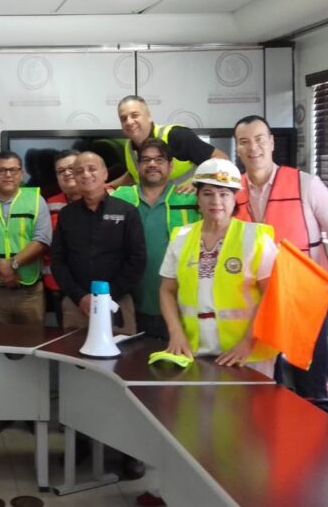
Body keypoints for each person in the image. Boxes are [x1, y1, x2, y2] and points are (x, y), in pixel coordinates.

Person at [233, 114, 328, 400]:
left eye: (259, 139)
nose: (253, 147)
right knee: (264, 386)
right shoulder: (231, 192)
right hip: (255, 304)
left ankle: (316, 427)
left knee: (311, 387)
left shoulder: (306, 184)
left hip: (304, 300)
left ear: (271, 142)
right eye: (244, 142)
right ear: (237, 148)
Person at [160, 159, 278, 369]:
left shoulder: (256, 237)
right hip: (194, 348)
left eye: (224, 194)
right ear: (197, 197)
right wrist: (176, 333)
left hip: (247, 354)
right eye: (208, 193)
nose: (216, 201)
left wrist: (247, 341)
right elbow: (167, 290)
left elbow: (272, 294)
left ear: (234, 198)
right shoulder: (181, 237)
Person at [111, 138, 199, 339]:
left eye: (159, 159)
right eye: (146, 159)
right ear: (137, 166)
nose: (152, 164)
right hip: (129, 304)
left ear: (170, 166)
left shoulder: (189, 199)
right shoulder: (119, 198)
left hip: (180, 306)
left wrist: (199, 183)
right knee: (132, 357)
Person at [51, 151, 147, 331]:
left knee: (122, 348)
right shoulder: (67, 215)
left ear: (105, 174)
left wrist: (106, 296)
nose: (86, 174)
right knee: (72, 348)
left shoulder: (127, 211)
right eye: (79, 171)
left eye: (92, 169)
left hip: (117, 302)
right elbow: (58, 261)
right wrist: (80, 297)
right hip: (77, 304)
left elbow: (137, 259)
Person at [0, 151, 51, 332]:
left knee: (33, 342)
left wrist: (12, 264)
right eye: (1, 170)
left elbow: (42, 240)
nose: (8, 175)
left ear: (21, 173)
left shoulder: (36, 200)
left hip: (30, 293)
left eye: (13, 170)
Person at [111, 95, 227, 190]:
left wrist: (198, 182)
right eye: (123, 118)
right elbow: (133, 176)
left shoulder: (176, 136)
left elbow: (222, 159)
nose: (129, 122)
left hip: (189, 207)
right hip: (157, 208)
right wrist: (107, 186)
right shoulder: (128, 147)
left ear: (149, 116)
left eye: (134, 115)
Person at [43, 150, 80, 326]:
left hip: (97, 289)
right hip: (60, 287)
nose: (67, 173)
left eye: (72, 168)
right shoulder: (49, 203)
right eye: (61, 171)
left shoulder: (109, 197)